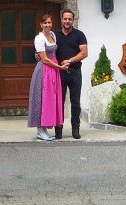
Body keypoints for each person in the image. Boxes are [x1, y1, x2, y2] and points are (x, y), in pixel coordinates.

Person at [27, 13, 65, 141]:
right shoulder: (39, 38)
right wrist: (60, 67)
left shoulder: (53, 35)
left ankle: (45, 129)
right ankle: (39, 130)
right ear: (41, 24)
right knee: (41, 98)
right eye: (45, 23)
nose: (48, 25)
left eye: (49, 22)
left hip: (53, 70)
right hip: (45, 70)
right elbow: (44, 59)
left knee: (50, 99)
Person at [55, 9, 88, 139]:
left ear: (73, 20)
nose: (67, 21)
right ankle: (58, 130)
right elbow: (46, 49)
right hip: (59, 73)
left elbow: (84, 53)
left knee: (75, 102)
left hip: (75, 72)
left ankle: (75, 129)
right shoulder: (54, 35)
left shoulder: (79, 35)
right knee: (59, 102)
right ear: (61, 19)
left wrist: (69, 61)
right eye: (65, 19)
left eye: (69, 19)